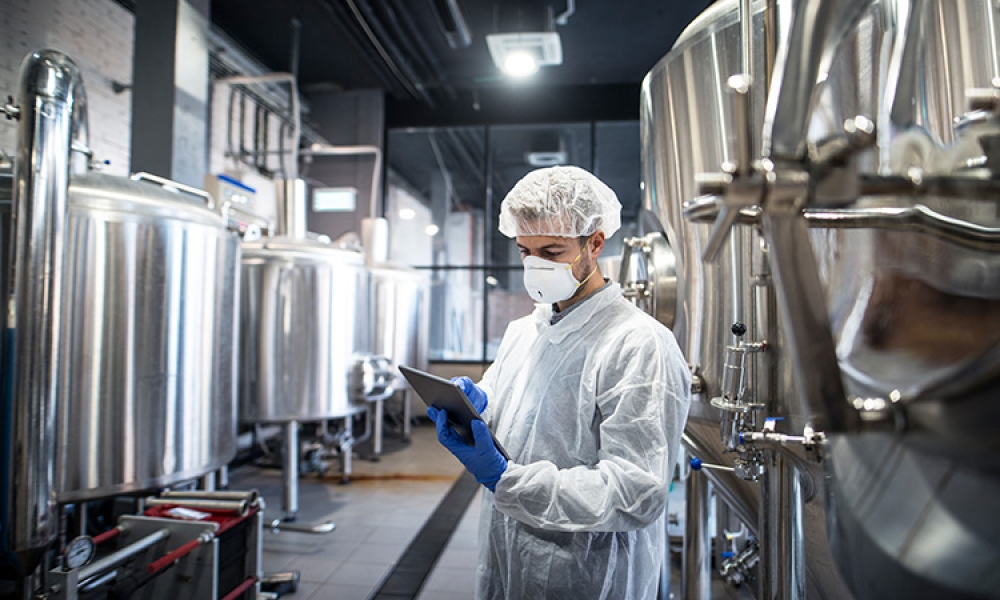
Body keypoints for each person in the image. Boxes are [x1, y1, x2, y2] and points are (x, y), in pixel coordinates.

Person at [428, 165, 691, 600]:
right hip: (507, 557)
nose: (535, 267)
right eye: (525, 252)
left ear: (595, 243)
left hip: (587, 572)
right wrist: (476, 405)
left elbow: (636, 492)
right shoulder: (524, 331)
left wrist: (508, 480)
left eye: (551, 252)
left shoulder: (639, 344)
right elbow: (516, 414)